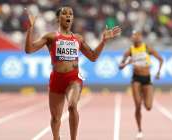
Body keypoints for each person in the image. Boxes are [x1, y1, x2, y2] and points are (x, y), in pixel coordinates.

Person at [25, 6, 121, 140]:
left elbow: (93, 57)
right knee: (55, 118)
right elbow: (29, 49)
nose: (68, 16)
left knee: (72, 106)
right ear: (58, 18)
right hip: (56, 79)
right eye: (65, 14)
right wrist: (30, 28)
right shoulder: (51, 36)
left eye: (71, 14)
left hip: (73, 78)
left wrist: (103, 41)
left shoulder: (78, 39)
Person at [119, 31, 163, 139]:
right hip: (136, 79)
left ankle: (144, 95)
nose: (136, 38)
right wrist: (126, 63)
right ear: (132, 38)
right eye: (133, 36)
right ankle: (139, 129)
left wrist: (158, 72)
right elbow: (120, 66)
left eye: (137, 36)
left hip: (147, 79)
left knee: (148, 107)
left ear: (141, 37)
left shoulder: (147, 48)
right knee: (138, 105)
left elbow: (161, 59)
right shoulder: (130, 50)